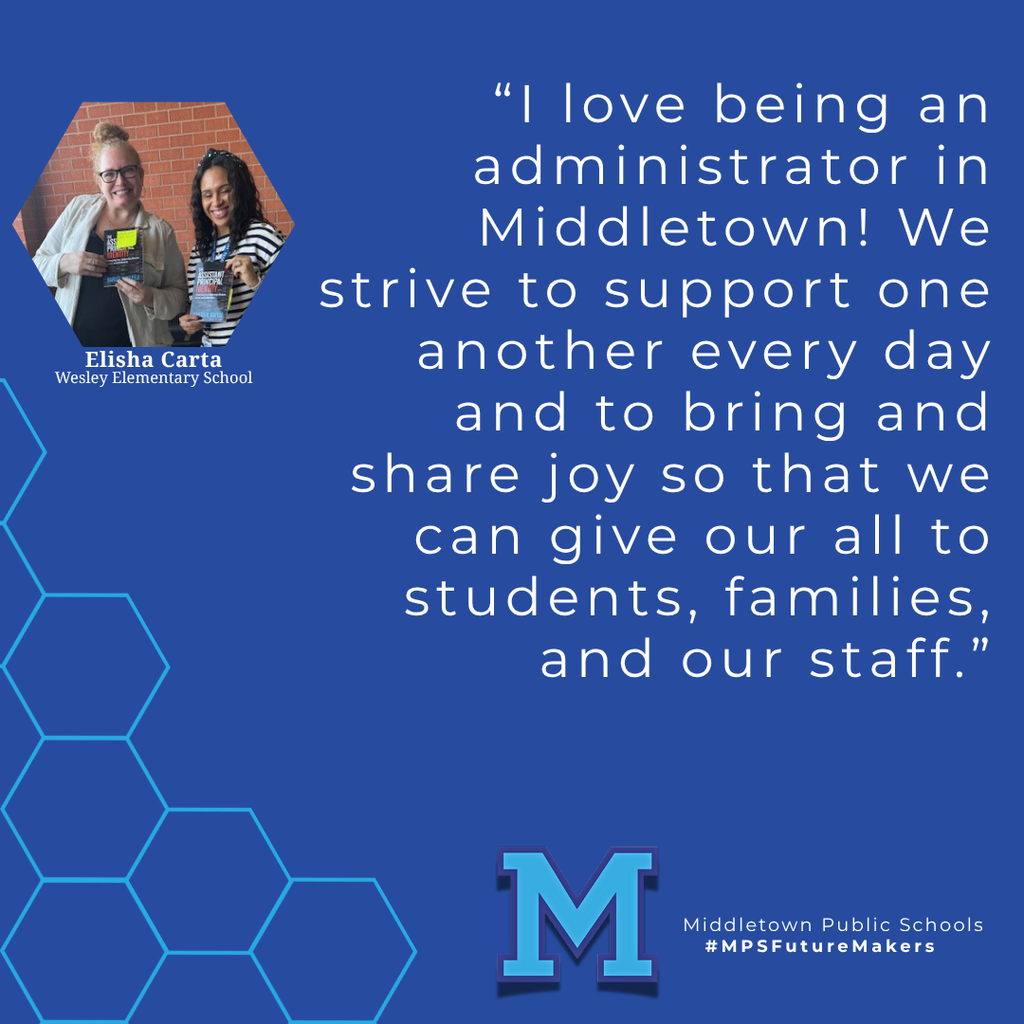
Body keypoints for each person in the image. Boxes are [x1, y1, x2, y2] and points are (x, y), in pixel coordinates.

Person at [32, 122, 186, 348]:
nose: (120, 181)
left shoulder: (161, 231)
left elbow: (179, 296)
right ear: (98, 180)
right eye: (110, 174)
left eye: (128, 170)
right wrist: (65, 262)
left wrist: (150, 298)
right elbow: (37, 264)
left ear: (141, 174)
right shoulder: (77, 210)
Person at [180, 150, 285, 346]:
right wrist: (192, 321)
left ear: (239, 190)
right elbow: (202, 313)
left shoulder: (264, 237)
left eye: (225, 190)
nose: (216, 201)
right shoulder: (199, 251)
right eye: (207, 195)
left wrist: (255, 282)